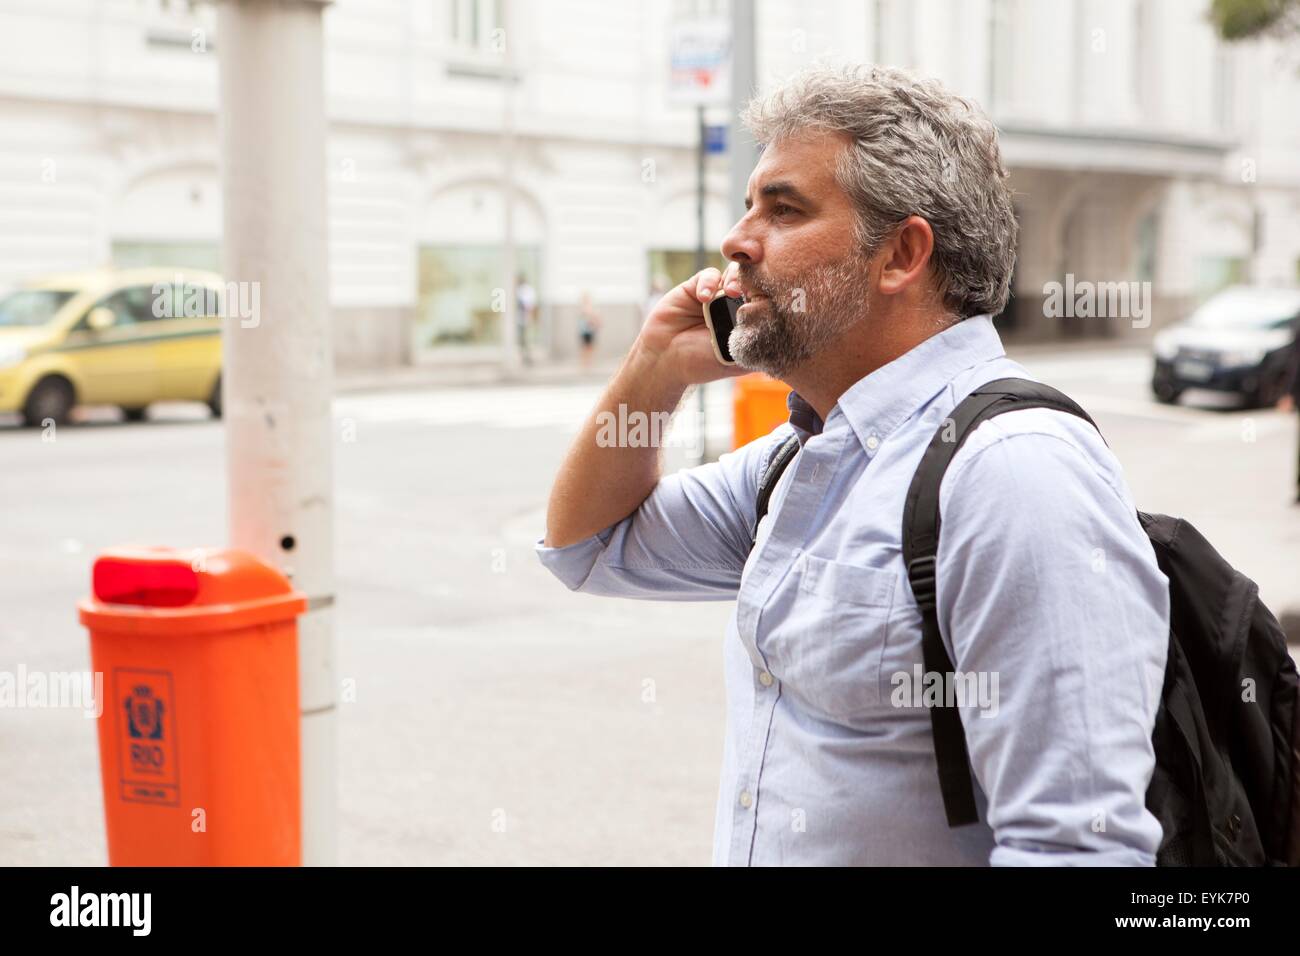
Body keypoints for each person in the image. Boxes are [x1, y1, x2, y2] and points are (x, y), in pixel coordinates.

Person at [536, 65, 1170, 866]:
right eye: (747, 205)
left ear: (901, 254)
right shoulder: (807, 458)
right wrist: (654, 365)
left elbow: (1077, 849)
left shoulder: (1012, 475)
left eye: (784, 208)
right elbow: (586, 547)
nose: (736, 240)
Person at [514, 273, 537, 365]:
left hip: (525, 318)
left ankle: (528, 357)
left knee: (526, 339)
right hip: (520, 318)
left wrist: (530, 317)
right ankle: (524, 356)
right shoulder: (519, 290)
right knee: (521, 339)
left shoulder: (527, 290)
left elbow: (529, 305)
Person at [577, 291, 602, 371]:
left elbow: (595, 320)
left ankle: (588, 364)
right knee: (585, 348)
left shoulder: (590, 309)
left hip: (590, 331)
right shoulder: (584, 309)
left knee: (590, 348)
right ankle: (585, 365)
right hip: (584, 331)